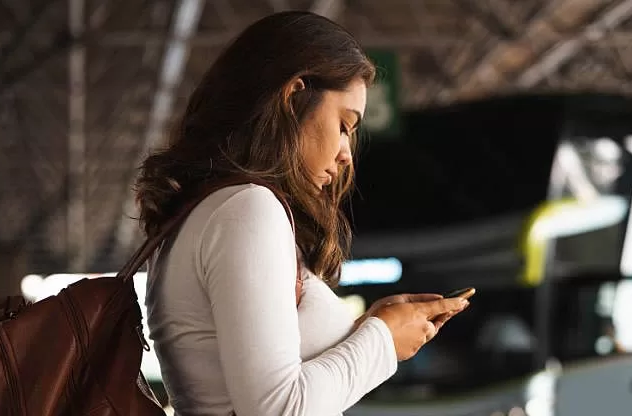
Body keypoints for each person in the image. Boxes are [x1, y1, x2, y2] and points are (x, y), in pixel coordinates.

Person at [136, 11, 470, 416]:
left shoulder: (202, 214)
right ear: (294, 97)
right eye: (345, 125)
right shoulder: (248, 209)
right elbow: (278, 409)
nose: (347, 154)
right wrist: (383, 339)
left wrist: (371, 326)